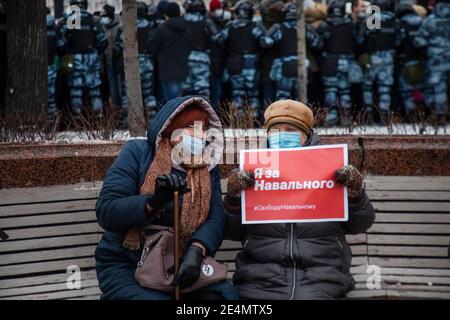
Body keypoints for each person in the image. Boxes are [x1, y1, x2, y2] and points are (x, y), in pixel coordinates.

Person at [224, 99, 375, 299]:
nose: (282, 136)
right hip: (260, 278)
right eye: (276, 130)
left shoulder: (331, 168)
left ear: (306, 135)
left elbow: (360, 224)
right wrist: (234, 197)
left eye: (290, 130)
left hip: (321, 278)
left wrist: (355, 193)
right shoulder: (252, 171)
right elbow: (231, 231)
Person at [95, 95, 237, 300]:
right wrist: (153, 202)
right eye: (192, 126)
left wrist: (197, 250)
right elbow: (107, 211)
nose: (202, 134)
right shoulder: (138, 152)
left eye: (205, 128)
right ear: (172, 126)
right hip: (128, 264)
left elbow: (215, 218)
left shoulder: (206, 166)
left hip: (181, 262)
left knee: (225, 297)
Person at [213, 0, 272, 118]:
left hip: (234, 64)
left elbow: (218, 40)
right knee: (252, 95)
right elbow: (267, 42)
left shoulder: (230, 26)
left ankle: (238, 122)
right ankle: (252, 121)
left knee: (237, 94)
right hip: (251, 65)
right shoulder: (254, 27)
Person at [57, 0, 108, 118]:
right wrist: (94, 52)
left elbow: (60, 43)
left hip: (75, 59)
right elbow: (104, 41)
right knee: (94, 88)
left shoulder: (67, 21)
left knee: (76, 89)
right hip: (91, 58)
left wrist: (68, 52)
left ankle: (77, 118)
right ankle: (98, 117)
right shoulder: (94, 21)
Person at [317, 0, 360, 126]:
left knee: (331, 91)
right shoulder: (351, 24)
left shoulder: (324, 25)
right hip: (347, 62)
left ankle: (332, 118)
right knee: (345, 91)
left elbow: (318, 45)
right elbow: (357, 42)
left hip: (330, 62)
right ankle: (345, 116)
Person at [267, 3, 322, 101]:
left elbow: (266, 42)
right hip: (302, 67)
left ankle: (282, 116)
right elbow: (318, 44)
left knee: (282, 101)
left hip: (284, 67)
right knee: (300, 100)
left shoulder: (279, 27)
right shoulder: (305, 27)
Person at [358, 0, 400, 123]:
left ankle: (369, 114)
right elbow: (398, 40)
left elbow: (361, 38)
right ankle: (384, 114)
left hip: (373, 57)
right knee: (385, 87)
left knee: (367, 86)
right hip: (389, 57)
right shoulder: (394, 20)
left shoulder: (373, 18)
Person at [116, 2, 158, 121]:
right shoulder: (150, 26)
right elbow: (154, 44)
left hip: (130, 63)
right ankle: (152, 119)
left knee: (128, 93)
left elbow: (117, 45)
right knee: (149, 94)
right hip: (147, 62)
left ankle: (128, 121)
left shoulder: (125, 25)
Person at [413, 0, 450, 125]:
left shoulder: (430, 20)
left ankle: (440, 117)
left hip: (436, 60)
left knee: (439, 88)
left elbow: (419, 41)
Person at [149, 2, 191, 103]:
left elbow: (151, 47)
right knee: (182, 102)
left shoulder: (162, 29)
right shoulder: (187, 29)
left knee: (171, 103)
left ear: (166, 14)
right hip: (183, 69)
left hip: (166, 70)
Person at [182, 0, 219, 98]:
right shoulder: (206, 21)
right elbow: (218, 38)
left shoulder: (181, 21)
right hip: (201, 59)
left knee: (186, 92)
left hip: (184, 59)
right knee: (202, 91)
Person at [396, 4, 427, 119]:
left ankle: (412, 116)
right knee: (423, 88)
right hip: (423, 61)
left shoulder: (399, 24)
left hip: (405, 61)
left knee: (407, 91)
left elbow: (397, 43)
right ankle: (427, 114)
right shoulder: (424, 22)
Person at [99, 4, 123, 108]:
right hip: (107, 63)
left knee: (120, 90)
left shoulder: (120, 26)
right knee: (113, 91)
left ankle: (122, 110)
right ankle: (116, 109)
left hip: (118, 62)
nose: (103, 19)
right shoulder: (102, 27)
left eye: (105, 16)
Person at [47, 7, 58, 122]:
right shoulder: (54, 29)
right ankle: (53, 119)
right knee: (52, 95)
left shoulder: (37, 28)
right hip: (52, 65)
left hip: (40, 67)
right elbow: (60, 46)